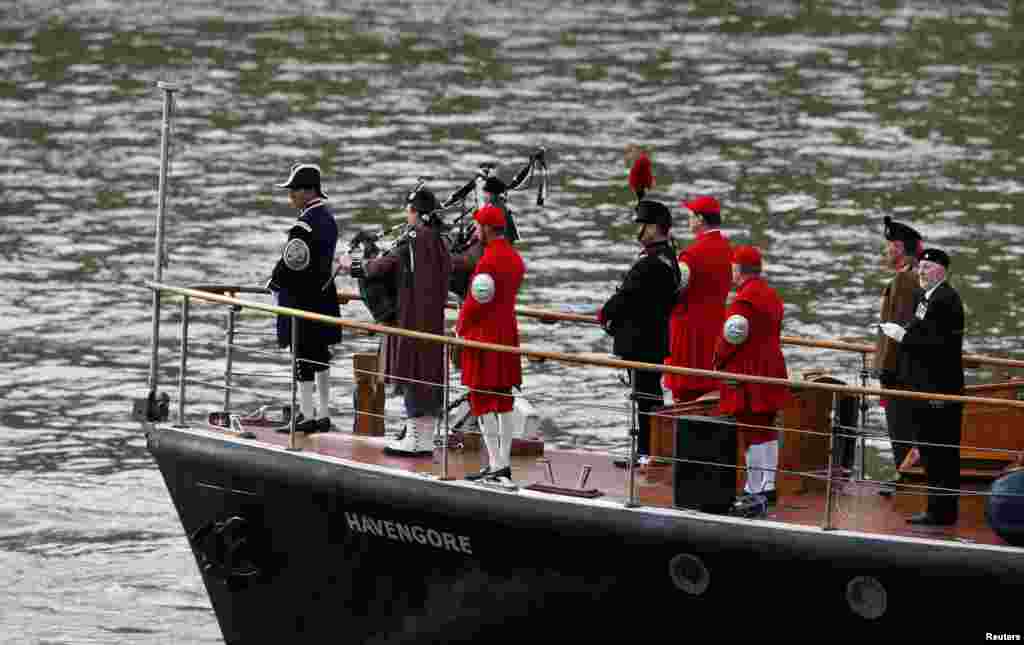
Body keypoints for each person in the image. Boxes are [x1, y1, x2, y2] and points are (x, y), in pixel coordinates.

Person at [339, 187, 452, 455]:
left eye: (408, 211)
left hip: (409, 319)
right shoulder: (439, 240)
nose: (406, 216)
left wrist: (351, 262)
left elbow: (377, 268)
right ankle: (424, 440)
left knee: (412, 375)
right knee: (429, 377)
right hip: (433, 321)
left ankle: (414, 440)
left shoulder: (411, 240)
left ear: (414, 212)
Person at [879, 248, 965, 526]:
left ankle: (942, 511)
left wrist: (904, 337)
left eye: (928, 268)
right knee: (930, 450)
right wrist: (901, 331)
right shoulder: (926, 298)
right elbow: (919, 327)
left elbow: (942, 346)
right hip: (924, 386)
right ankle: (936, 509)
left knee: (942, 452)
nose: (922, 272)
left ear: (942, 270)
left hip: (939, 389)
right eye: (921, 267)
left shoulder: (946, 299)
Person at [599, 199, 681, 468]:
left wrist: (606, 313)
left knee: (646, 398)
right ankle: (647, 449)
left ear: (655, 228)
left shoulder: (652, 262)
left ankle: (648, 451)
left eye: (643, 225)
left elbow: (627, 296)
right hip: (649, 340)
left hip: (643, 341)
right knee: (646, 397)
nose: (639, 230)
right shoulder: (665, 257)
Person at [266, 163, 341, 433]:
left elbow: (292, 262)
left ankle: (306, 415)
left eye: (294, 190)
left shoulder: (305, 224)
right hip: (323, 294)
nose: (291, 196)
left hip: (303, 299)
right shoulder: (328, 219)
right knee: (320, 356)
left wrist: (273, 282)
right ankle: (323, 414)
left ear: (309, 191)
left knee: (302, 357)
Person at [713, 245, 790, 505]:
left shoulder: (744, 300)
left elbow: (733, 336)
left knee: (749, 429)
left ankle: (753, 486)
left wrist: (718, 360)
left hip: (748, 371)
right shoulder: (772, 295)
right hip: (773, 367)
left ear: (738, 269)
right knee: (767, 427)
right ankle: (769, 484)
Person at [456, 204, 526, 485]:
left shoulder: (487, 261)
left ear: (486, 228)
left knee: (481, 398)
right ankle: (504, 463)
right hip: (507, 333)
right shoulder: (515, 259)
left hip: (483, 336)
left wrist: (460, 326)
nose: (475, 231)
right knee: (504, 398)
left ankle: (496, 464)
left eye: (477, 226)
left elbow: (475, 302)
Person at [664, 195, 732, 405]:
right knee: (712, 395)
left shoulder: (691, 255)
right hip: (716, 330)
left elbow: (674, 293)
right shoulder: (728, 249)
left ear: (700, 219)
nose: (688, 220)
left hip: (688, 334)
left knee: (684, 398)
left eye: (691, 216)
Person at [874, 216, 923, 496]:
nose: (885, 253)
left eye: (888, 247)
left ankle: (905, 483)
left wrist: (886, 368)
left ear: (899, 249)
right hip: (902, 369)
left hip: (899, 371)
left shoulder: (905, 280)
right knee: (904, 427)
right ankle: (904, 478)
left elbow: (899, 329)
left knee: (901, 428)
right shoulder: (909, 276)